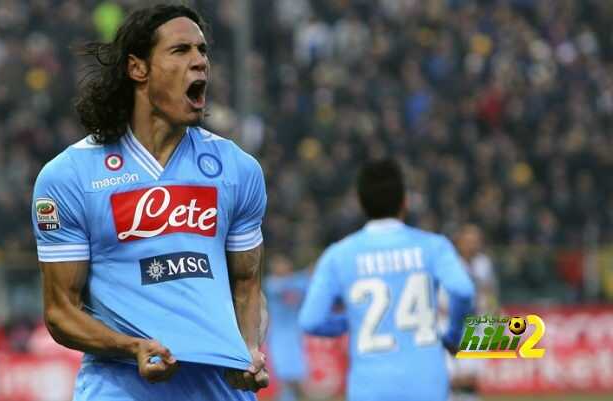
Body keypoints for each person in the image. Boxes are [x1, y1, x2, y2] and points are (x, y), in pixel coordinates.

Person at [31, 5, 268, 401]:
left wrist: (250, 349)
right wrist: (132, 347)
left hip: (219, 390)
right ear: (137, 69)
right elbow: (60, 312)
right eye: (180, 51)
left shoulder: (237, 169)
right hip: (121, 388)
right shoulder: (70, 176)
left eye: (203, 51)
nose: (200, 62)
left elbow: (247, 286)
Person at [299, 158, 475, 401]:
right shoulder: (434, 246)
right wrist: (454, 336)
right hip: (427, 384)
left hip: (370, 387)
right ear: (405, 202)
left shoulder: (338, 255)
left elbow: (310, 321)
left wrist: (350, 320)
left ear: (362, 203)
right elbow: (463, 291)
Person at [444, 224, 499, 401]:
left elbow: (490, 292)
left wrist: (493, 315)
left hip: (477, 324)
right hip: (452, 324)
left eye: (475, 241)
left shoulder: (484, 263)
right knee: (452, 377)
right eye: (468, 241)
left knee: (472, 376)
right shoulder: (450, 264)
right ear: (459, 242)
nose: (472, 245)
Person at [264, 253, 310, 401]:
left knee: (297, 372)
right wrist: (306, 273)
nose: (281, 268)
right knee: (281, 372)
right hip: (278, 334)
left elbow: (309, 285)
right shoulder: (271, 284)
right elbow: (287, 286)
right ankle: (286, 397)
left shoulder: (298, 283)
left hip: (295, 334)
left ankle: (293, 396)